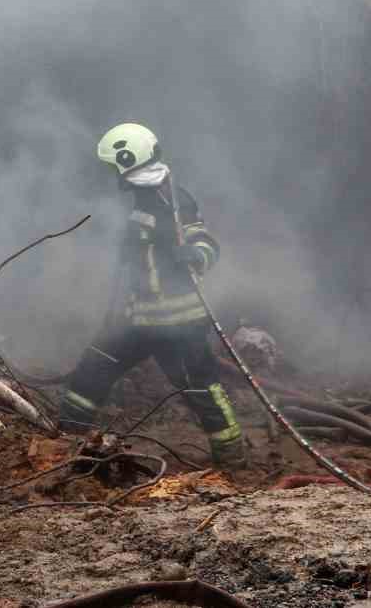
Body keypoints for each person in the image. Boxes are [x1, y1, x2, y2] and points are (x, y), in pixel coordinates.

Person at [58, 122, 244, 468]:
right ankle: (64, 445)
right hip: (140, 320)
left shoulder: (172, 200)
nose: (111, 174)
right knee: (92, 369)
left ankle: (233, 458)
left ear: (126, 161)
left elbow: (205, 241)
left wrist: (195, 255)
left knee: (201, 388)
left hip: (179, 324)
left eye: (112, 166)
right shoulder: (144, 198)